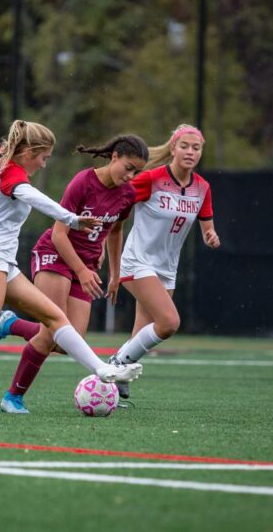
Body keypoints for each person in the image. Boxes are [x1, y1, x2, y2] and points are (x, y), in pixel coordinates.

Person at [0, 120, 143, 416]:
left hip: (4, 260)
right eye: (43, 158)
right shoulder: (11, 173)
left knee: (56, 318)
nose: (44, 165)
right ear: (29, 152)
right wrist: (71, 219)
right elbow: (31, 196)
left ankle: (103, 369)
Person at [0, 134, 150, 414]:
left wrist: (115, 273)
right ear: (115, 157)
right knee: (51, 334)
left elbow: (116, 230)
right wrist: (82, 270)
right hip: (55, 255)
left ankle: (9, 325)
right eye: (128, 167)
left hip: (84, 264)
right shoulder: (84, 182)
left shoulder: (127, 194)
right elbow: (60, 234)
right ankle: (12, 397)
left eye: (137, 172)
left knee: (68, 342)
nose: (131, 176)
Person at [108, 124, 220, 400]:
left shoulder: (202, 188)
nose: (190, 152)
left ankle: (117, 380)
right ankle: (115, 364)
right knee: (169, 322)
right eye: (185, 146)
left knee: (142, 333)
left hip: (166, 269)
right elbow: (117, 206)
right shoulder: (151, 179)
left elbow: (207, 227)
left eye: (196, 148)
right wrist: (101, 243)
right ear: (173, 148)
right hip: (137, 261)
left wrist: (211, 236)